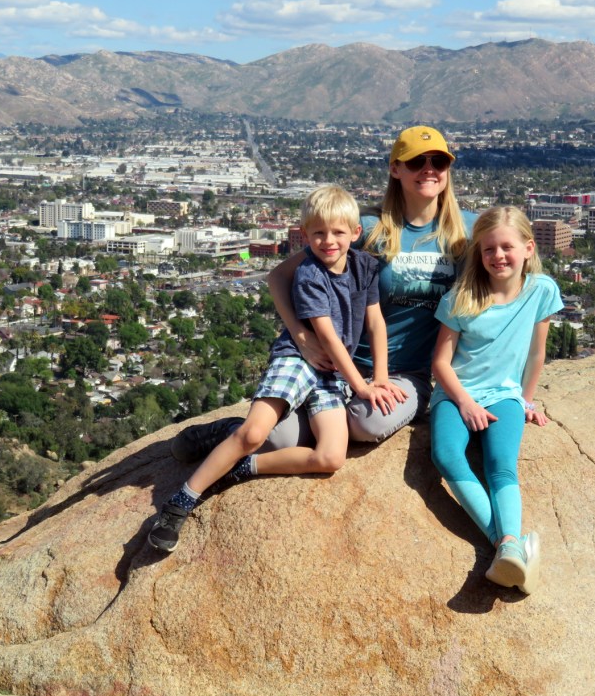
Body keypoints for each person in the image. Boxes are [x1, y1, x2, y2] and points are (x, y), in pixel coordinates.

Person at [168, 125, 475, 460]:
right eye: (417, 162)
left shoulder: (467, 231)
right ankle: (228, 431)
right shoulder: (368, 228)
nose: (429, 169)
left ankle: (306, 425)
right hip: (340, 366)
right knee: (277, 441)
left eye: (439, 162)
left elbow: (509, 287)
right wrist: (302, 337)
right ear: (395, 168)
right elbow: (279, 277)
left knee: (367, 424)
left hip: (406, 371)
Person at [148, 185, 402, 553]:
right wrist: (361, 387)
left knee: (330, 457)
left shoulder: (365, 267)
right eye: (317, 233)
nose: (327, 241)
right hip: (301, 359)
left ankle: (239, 466)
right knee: (254, 433)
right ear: (304, 235)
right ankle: (182, 501)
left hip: (331, 373)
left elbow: (376, 323)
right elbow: (327, 337)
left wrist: (379, 376)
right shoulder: (310, 275)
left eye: (337, 232)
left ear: (355, 233)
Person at [429, 206, 562, 594]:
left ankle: (507, 550)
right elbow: (440, 362)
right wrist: (465, 403)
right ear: (479, 254)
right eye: (489, 249)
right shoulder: (463, 297)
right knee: (446, 455)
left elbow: (537, 354)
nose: (498, 256)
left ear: (528, 248)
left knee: (501, 464)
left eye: (507, 247)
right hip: (456, 394)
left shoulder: (541, 291)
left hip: (505, 393)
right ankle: (510, 546)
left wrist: (526, 400)